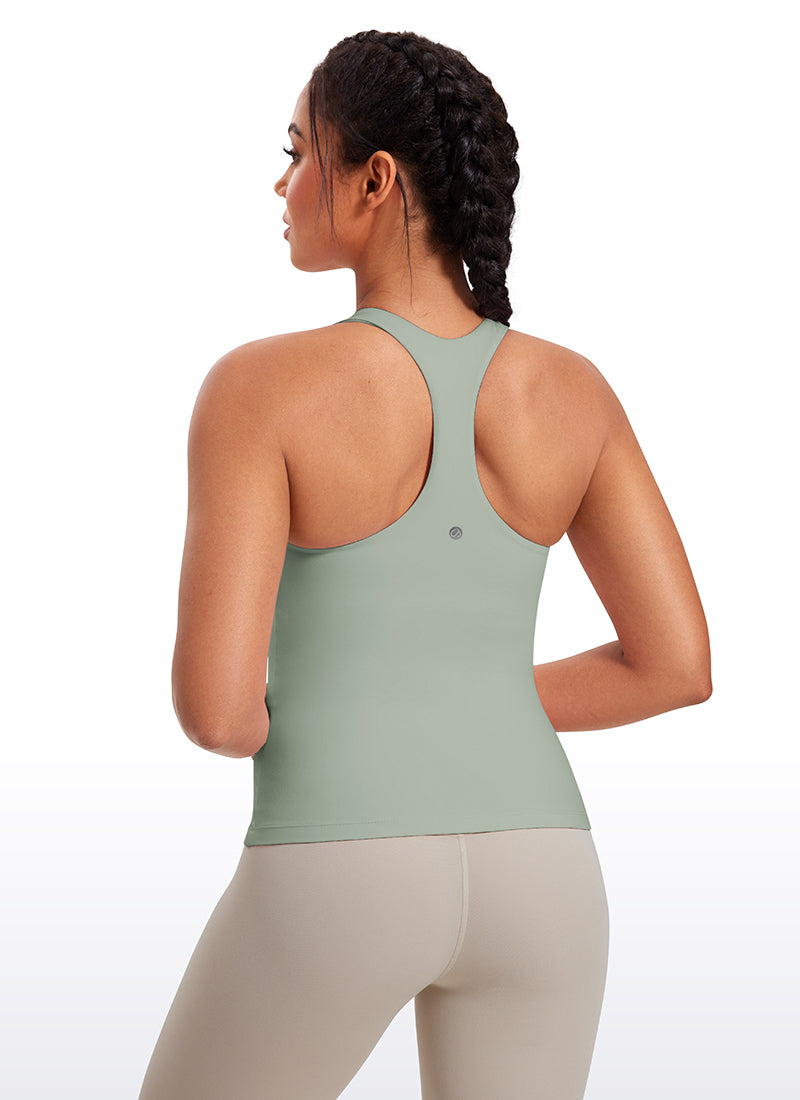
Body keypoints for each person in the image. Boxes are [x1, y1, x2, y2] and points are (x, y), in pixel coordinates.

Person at [137, 29, 711, 1100]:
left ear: (375, 181)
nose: (280, 181)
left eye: (297, 151)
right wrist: (468, 696)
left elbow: (218, 715)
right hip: (545, 876)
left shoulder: (259, 388)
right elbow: (675, 665)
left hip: (337, 866)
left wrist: (347, 707)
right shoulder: (573, 390)